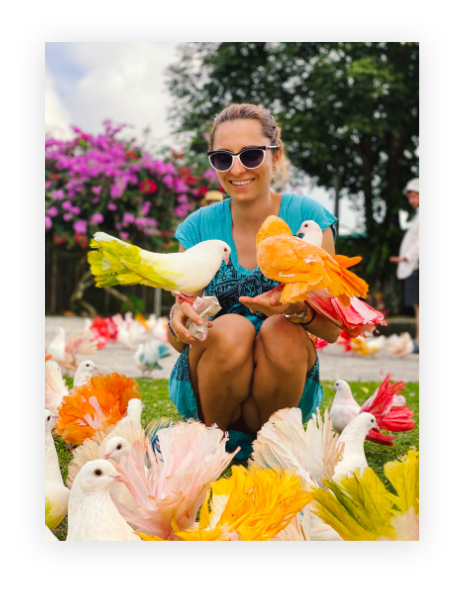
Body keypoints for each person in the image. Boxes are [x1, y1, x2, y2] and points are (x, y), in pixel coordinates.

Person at [167, 104, 341, 458]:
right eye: (223, 158)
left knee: (281, 330)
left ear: (275, 157)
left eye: (250, 155)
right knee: (232, 328)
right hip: (215, 388)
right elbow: (177, 338)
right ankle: (212, 445)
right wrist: (179, 320)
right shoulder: (198, 227)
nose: (236, 169)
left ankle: (270, 447)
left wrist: (295, 309)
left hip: (282, 385)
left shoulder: (309, 219)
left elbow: (332, 329)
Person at [390, 178, 420, 351]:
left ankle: (419, 341)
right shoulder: (417, 216)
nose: (411, 201)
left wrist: (405, 258)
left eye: (414, 196)